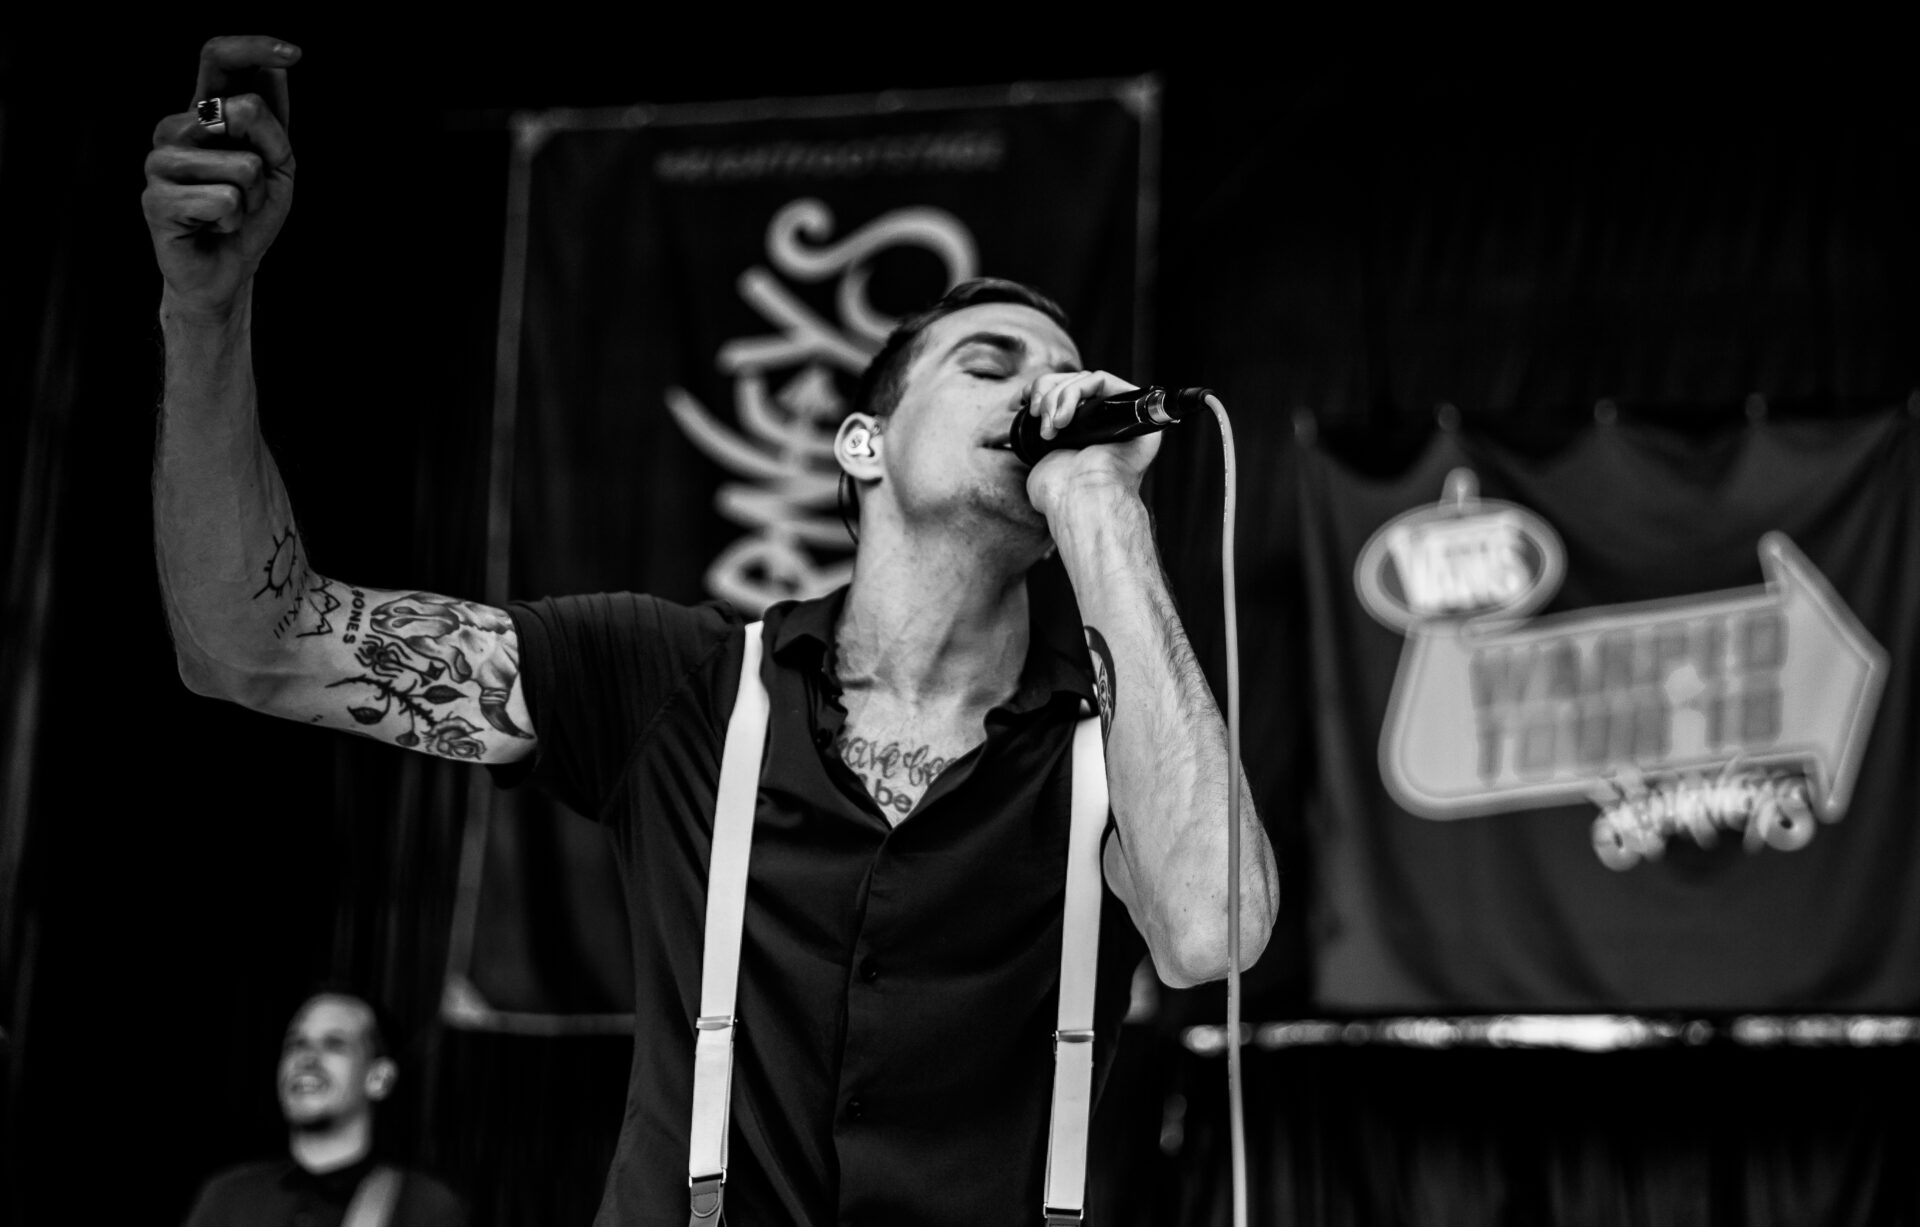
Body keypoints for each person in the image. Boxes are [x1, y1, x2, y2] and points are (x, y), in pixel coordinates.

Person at [145, 35, 1279, 1227]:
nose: (1044, 394)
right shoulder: (674, 680)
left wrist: (1099, 503)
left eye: (1063, 374)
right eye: (990, 365)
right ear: (864, 445)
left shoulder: (1105, 750)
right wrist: (204, 309)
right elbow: (255, 642)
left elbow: (1211, 933)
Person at [182, 990, 467, 1227]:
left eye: (334, 1044)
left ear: (379, 1078)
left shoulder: (423, 1206)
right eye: (296, 1044)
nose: (306, 1058)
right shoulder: (228, 1196)